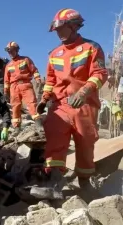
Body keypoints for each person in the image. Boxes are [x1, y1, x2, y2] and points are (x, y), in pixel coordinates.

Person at [31, 8, 108, 200]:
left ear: (74, 27)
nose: (58, 33)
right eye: (57, 30)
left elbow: (100, 74)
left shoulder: (92, 47)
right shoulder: (54, 53)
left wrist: (84, 91)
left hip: (84, 105)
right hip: (60, 105)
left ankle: (85, 183)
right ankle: (54, 184)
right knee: (55, 139)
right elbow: (50, 79)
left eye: (62, 29)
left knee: (85, 143)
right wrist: (44, 99)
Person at [3, 41, 42, 135]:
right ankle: (17, 128)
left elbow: (34, 70)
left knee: (32, 104)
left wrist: (38, 79)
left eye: (12, 51)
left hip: (26, 84)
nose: (10, 53)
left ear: (16, 50)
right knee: (15, 106)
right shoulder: (8, 65)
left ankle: (38, 124)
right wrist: (5, 92)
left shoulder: (26, 60)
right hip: (14, 87)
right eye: (9, 52)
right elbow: (6, 80)